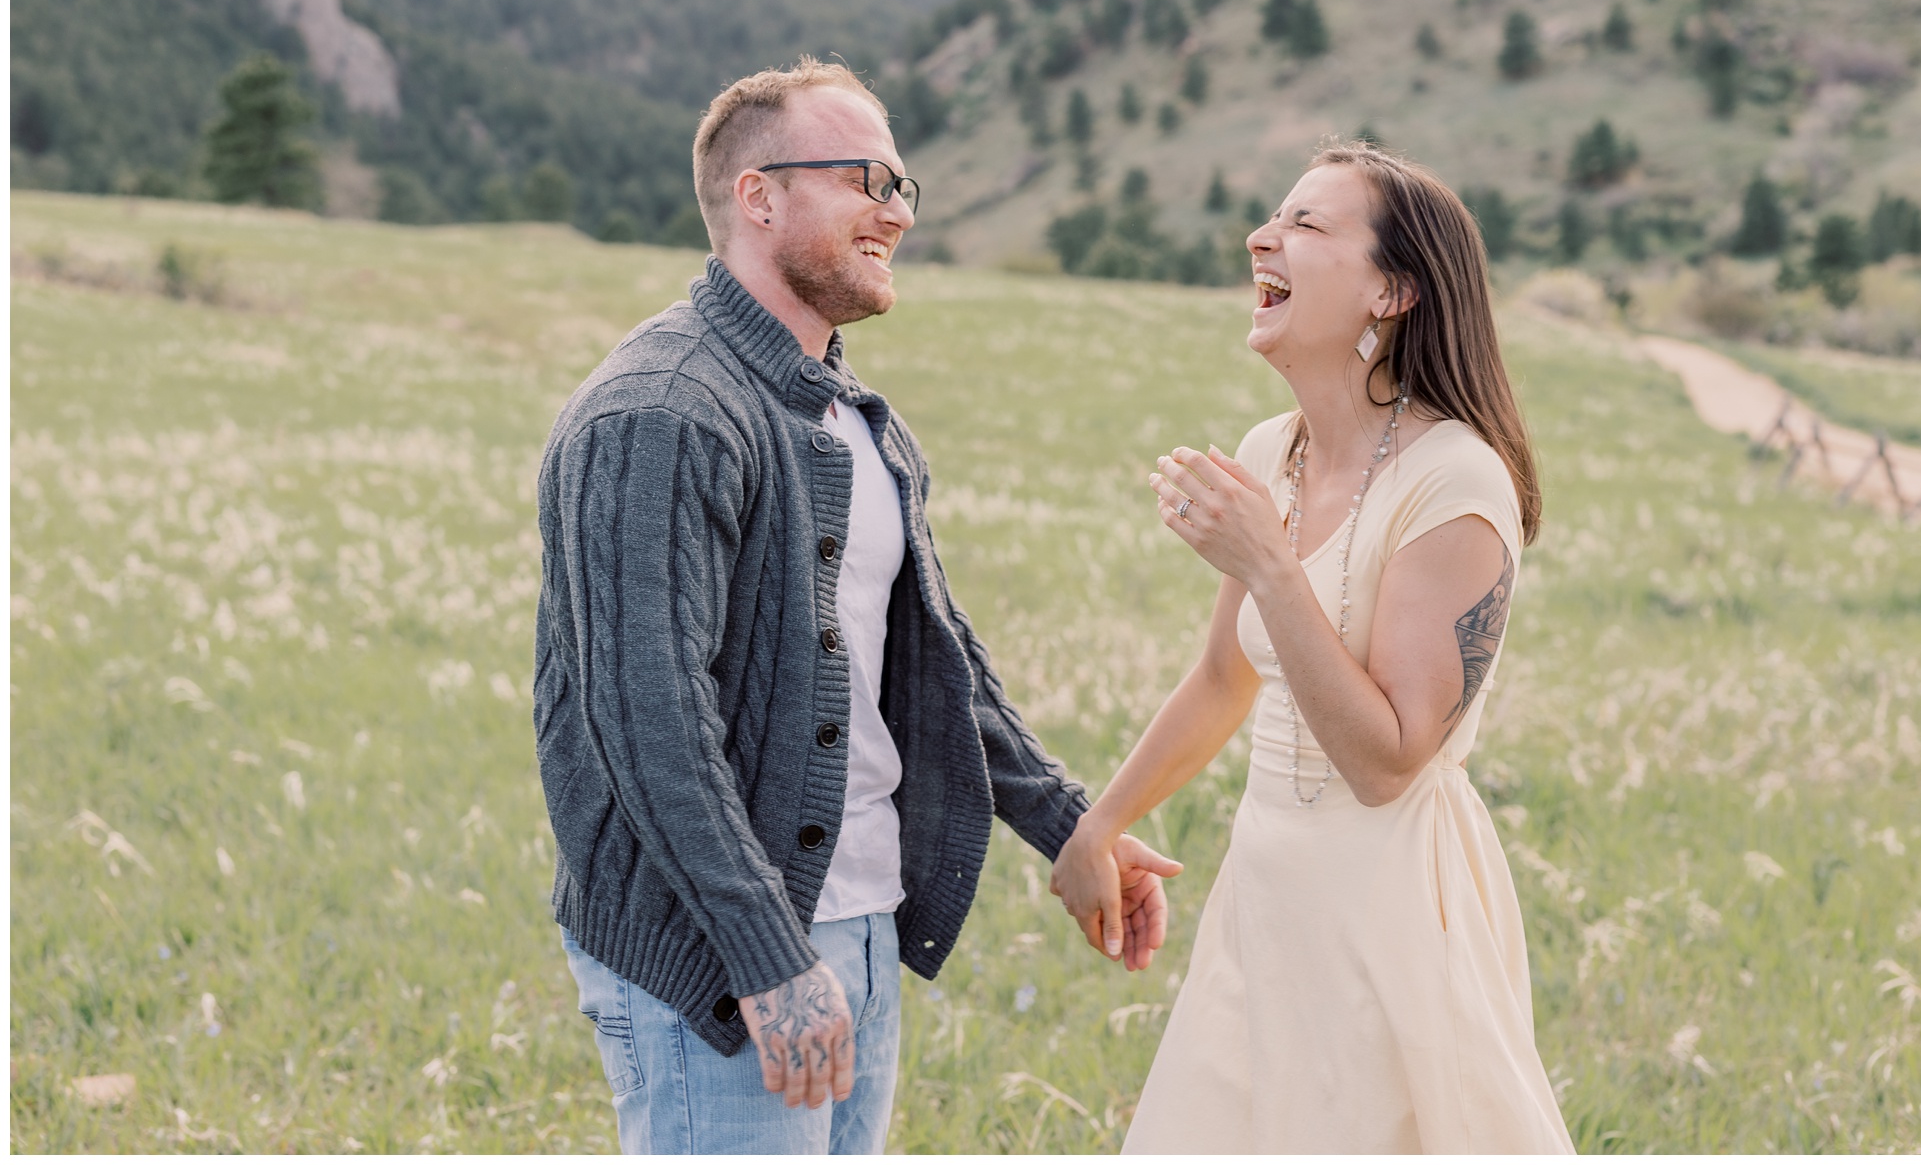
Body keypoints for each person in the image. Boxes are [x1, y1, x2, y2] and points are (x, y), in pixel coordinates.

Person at [531, 56, 1179, 1155]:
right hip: (725, 958)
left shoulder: (855, 420)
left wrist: (1069, 823)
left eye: (902, 185)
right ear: (759, 197)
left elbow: (929, 668)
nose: (895, 211)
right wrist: (766, 954)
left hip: (856, 922)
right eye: (864, 178)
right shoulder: (659, 412)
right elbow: (645, 721)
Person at [1050, 140, 1575, 1153]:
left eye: (1304, 223)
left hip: (1385, 914)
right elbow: (1220, 677)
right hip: (1265, 892)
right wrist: (1098, 821)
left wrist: (1268, 565)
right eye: (1272, 217)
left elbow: (1386, 760)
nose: (1261, 236)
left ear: (1390, 290)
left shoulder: (1454, 482)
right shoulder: (1270, 450)